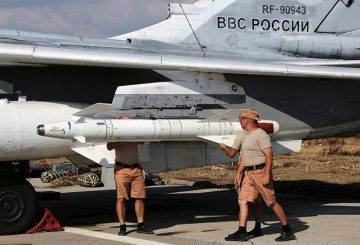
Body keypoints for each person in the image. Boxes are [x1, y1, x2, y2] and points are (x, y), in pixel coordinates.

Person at [229, 109, 295, 242]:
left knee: (271, 202)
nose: (240, 122)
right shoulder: (246, 135)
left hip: (260, 172)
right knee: (244, 200)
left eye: (241, 120)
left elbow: (269, 154)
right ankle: (242, 231)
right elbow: (244, 157)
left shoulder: (261, 134)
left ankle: (287, 230)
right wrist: (239, 173)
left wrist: (266, 174)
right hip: (249, 173)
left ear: (246, 120)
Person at [107, 124, 154, 236]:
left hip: (136, 169)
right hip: (121, 169)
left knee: (140, 197)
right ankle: (122, 227)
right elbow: (109, 146)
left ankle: (140, 225)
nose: (128, 120)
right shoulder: (116, 134)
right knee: (121, 198)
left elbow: (143, 140)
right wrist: (118, 139)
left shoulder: (134, 132)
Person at [220, 132, 263, 241]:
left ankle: (242, 231)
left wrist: (224, 147)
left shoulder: (242, 136)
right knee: (257, 202)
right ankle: (258, 228)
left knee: (243, 201)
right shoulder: (260, 135)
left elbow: (232, 155)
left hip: (248, 173)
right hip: (259, 171)